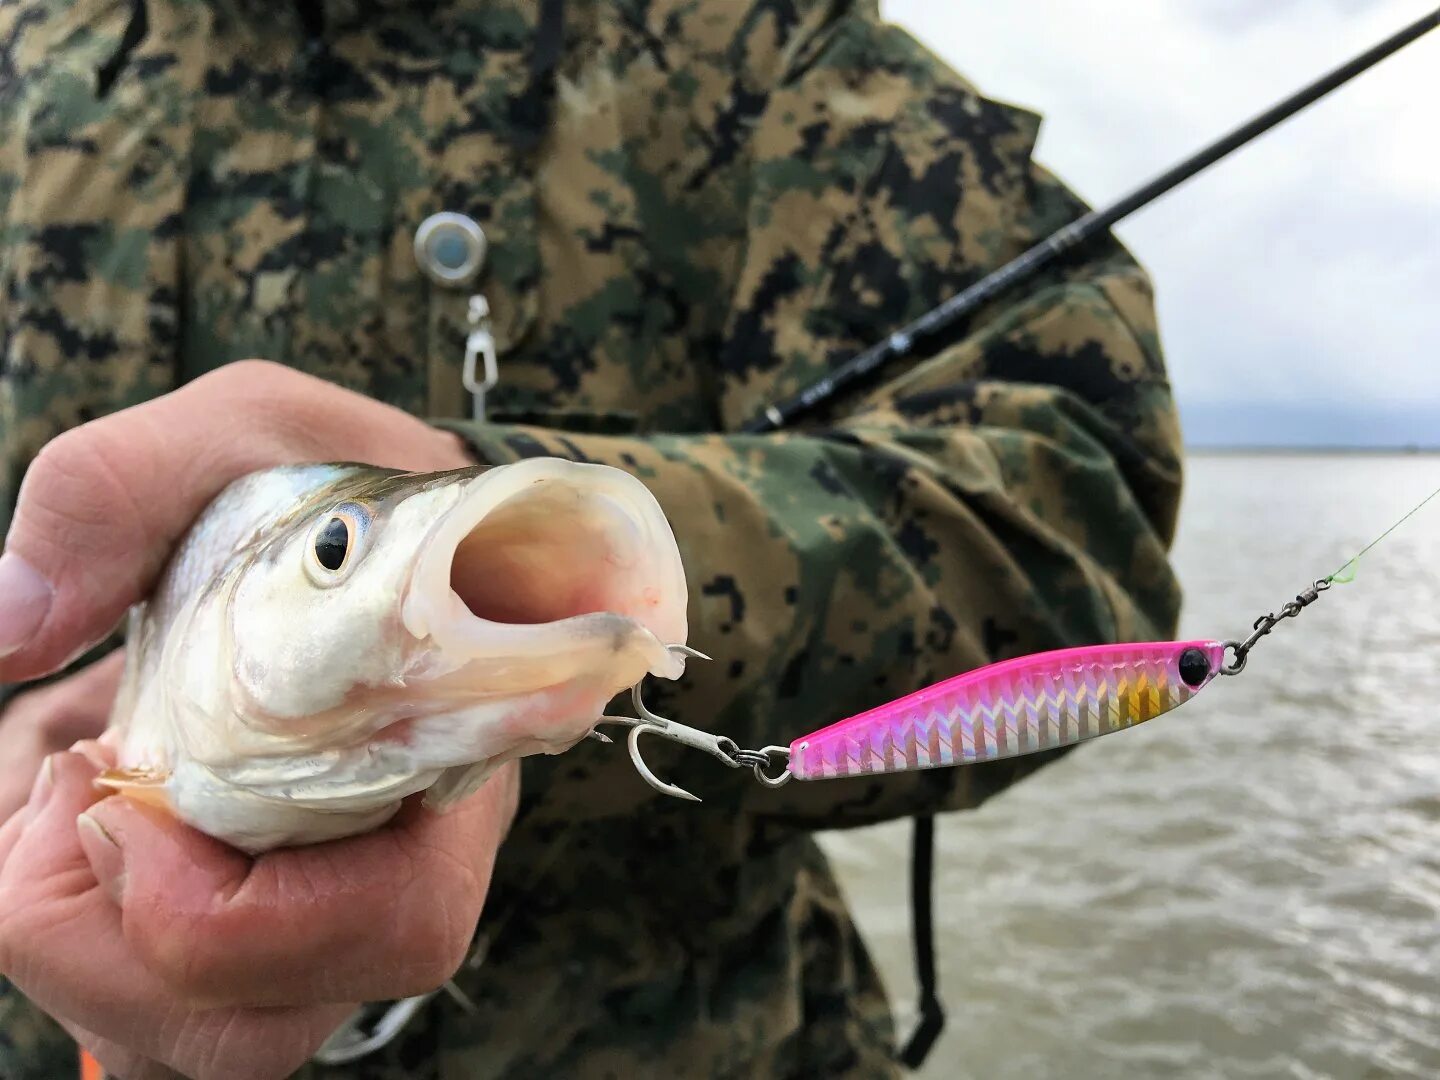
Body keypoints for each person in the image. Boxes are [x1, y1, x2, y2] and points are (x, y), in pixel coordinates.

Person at [0, 0, 1185, 1076]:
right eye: (331, 558)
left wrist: (533, 578)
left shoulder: (750, 43)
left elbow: (1078, 494)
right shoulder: (24, 65)